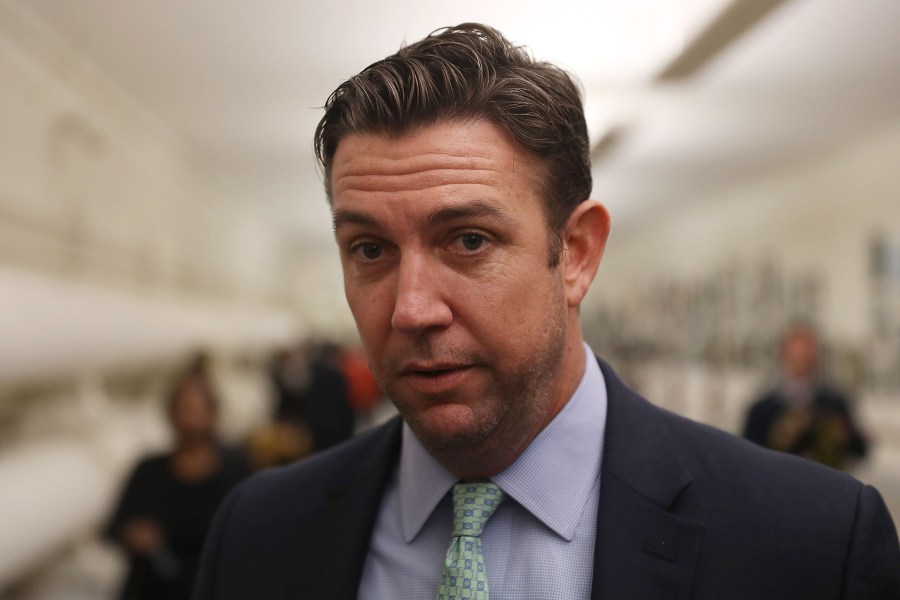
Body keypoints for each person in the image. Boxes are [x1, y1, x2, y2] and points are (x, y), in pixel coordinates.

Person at [193, 23, 899, 599]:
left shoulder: (809, 545)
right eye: (370, 250)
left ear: (579, 254)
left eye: (469, 241)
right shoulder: (259, 536)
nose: (411, 310)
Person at [106, 375, 248, 600]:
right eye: (183, 410)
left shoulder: (234, 474)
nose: (190, 420)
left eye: (196, 411)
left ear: (213, 414)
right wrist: (134, 535)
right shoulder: (148, 471)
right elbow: (112, 528)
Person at [744, 324, 868, 470]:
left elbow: (859, 449)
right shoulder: (763, 408)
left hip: (824, 484)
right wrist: (782, 434)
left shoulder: (833, 402)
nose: (802, 360)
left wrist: (843, 436)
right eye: (797, 355)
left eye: (807, 354)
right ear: (783, 356)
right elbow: (747, 456)